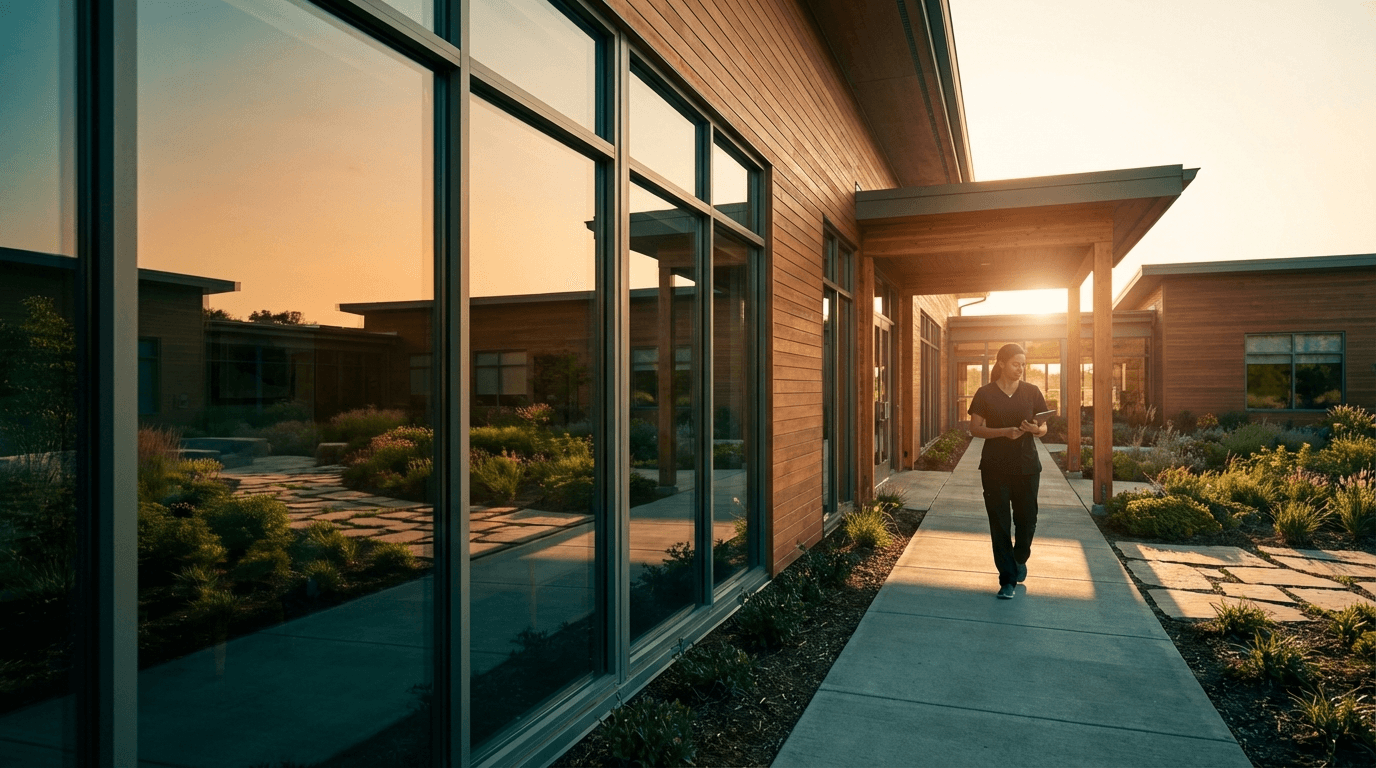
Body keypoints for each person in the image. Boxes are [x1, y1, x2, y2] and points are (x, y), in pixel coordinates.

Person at [966, 343, 1047, 599]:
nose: (1020, 369)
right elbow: (975, 429)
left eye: (1023, 364)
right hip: (994, 468)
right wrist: (1003, 432)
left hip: (1027, 467)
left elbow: (1043, 427)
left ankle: (1020, 556)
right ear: (1001, 363)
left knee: (1027, 520)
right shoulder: (985, 393)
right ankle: (1007, 579)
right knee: (1000, 524)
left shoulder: (1032, 392)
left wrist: (1035, 430)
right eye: (1015, 364)